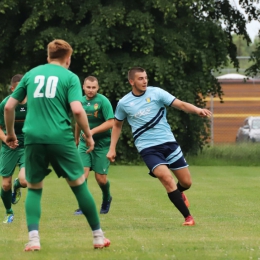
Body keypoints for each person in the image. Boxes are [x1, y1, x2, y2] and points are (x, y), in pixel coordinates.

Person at [4, 39, 110, 251]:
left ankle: (34, 240)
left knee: (34, 188)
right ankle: (98, 236)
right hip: (60, 137)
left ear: (48, 56)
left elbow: (8, 107)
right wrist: (88, 136)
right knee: (79, 184)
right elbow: (78, 111)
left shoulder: (31, 74)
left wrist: (10, 134)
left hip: (33, 137)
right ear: (68, 59)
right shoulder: (69, 77)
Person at [107, 67, 212, 226]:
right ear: (131, 81)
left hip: (168, 142)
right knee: (166, 178)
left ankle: (179, 193)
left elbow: (182, 105)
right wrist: (112, 148)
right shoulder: (124, 103)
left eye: (145, 77)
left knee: (186, 182)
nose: (144, 81)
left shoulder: (157, 93)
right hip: (147, 148)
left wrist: (197, 110)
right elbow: (117, 126)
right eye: (140, 78)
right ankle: (188, 217)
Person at [74, 76, 114, 215]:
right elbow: (78, 121)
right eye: (88, 87)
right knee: (82, 175)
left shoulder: (103, 101)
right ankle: (83, 206)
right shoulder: (78, 101)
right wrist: (76, 140)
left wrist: (91, 132)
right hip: (84, 144)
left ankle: (107, 197)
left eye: (93, 87)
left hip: (102, 144)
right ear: (83, 87)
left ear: (98, 88)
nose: (91, 90)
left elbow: (111, 122)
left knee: (101, 179)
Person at [0, 74, 28, 224]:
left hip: (27, 147)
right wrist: (7, 140)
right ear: (12, 89)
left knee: (24, 181)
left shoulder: (34, 104)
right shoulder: (5, 104)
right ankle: (9, 212)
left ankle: (17, 186)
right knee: (5, 184)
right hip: (9, 147)